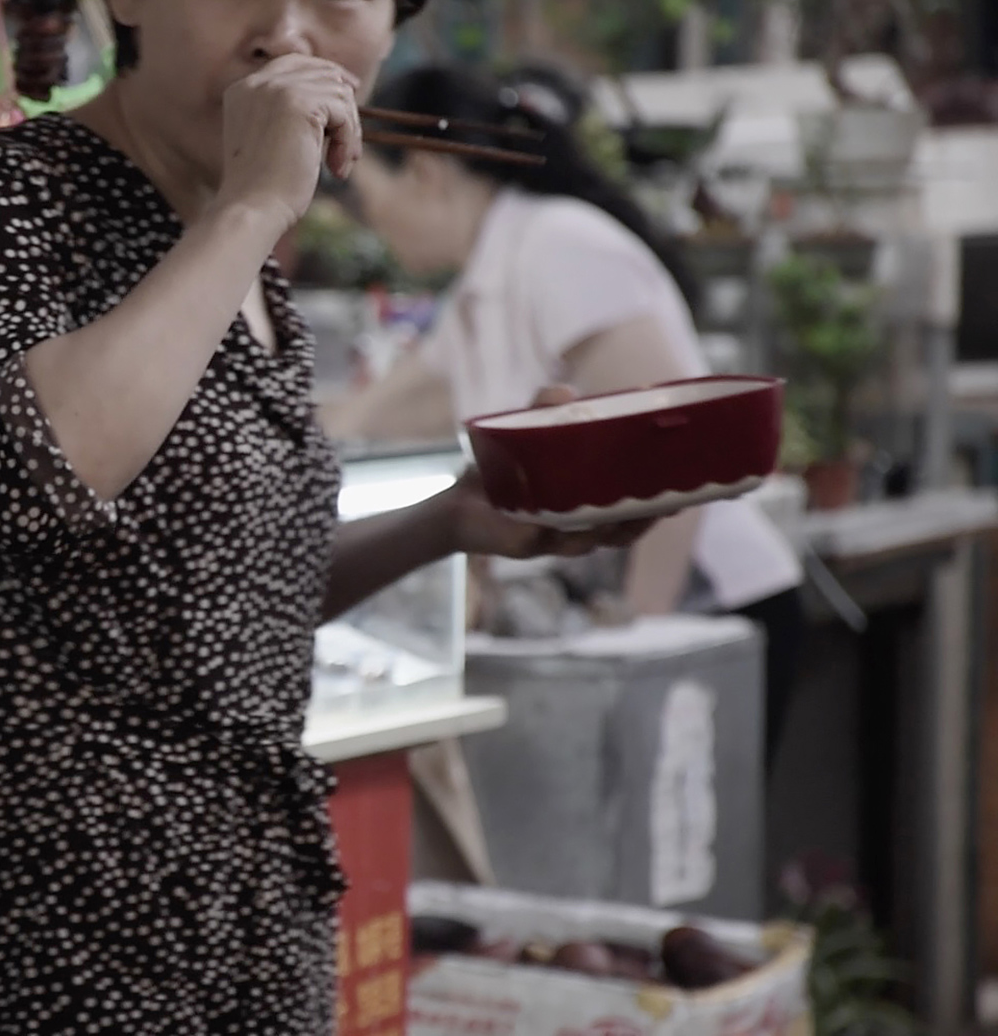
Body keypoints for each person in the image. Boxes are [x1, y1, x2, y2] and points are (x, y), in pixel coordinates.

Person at [0, 0, 662, 1033]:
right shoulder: (2, 203)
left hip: (256, 962)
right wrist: (250, 208)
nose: (284, 35)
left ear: (389, 26)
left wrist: (449, 520)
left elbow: (220, 596)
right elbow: (37, 482)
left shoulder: (242, 262)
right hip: (52, 975)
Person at [327, 62, 805, 765]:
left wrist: (637, 634)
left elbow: (673, 449)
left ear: (426, 173)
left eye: (370, 198)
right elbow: (387, 407)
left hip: (706, 608)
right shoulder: (482, 284)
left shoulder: (556, 244)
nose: (374, 225)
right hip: (639, 621)